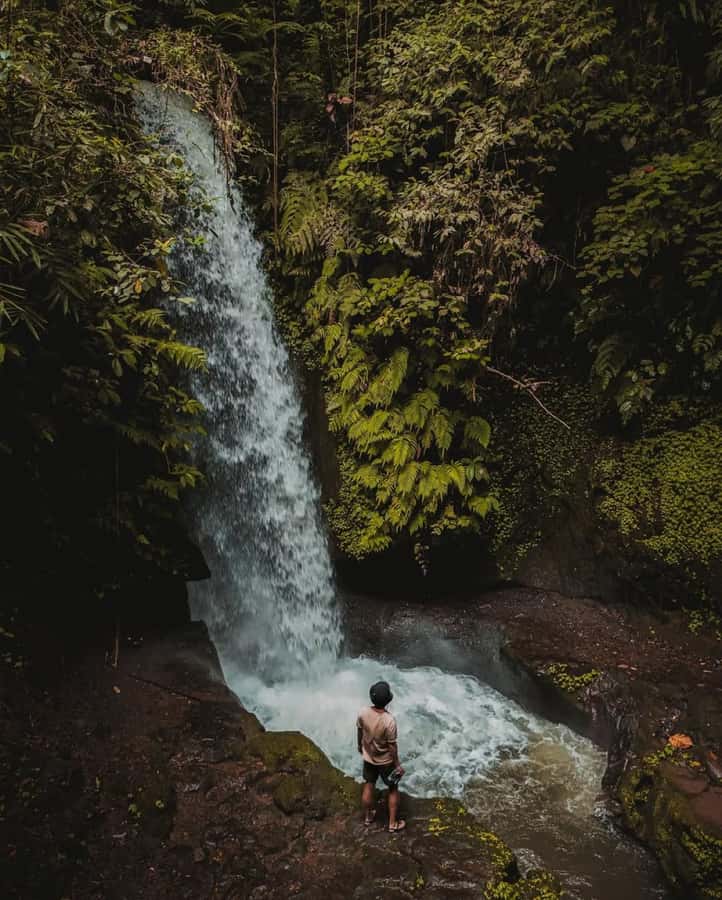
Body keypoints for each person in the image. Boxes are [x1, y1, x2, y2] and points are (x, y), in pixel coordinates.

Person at [356, 680, 406, 833]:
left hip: (369, 758)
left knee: (369, 784)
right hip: (386, 762)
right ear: (388, 701)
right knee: (392, 788)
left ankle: (368, 816)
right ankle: (392, 823)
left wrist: (359, 746)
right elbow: (392, 746)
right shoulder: (389, 721)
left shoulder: (363, 712)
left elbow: (359, 731)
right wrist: (397, 765)